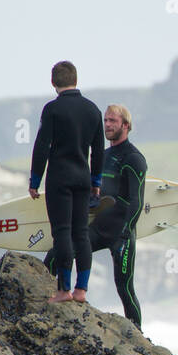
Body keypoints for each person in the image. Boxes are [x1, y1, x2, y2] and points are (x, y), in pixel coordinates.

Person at [45, 104, 148, 327]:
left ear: (126, 126)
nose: (108, 125)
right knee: (56, 255)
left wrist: (124, 234)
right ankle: (52, 302)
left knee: (125, 288)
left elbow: (136, 201)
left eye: (113, 121)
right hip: (98, 228)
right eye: (106, 120)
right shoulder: (101, 155)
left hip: (121, 233)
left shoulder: (134, 158)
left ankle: (139, 336)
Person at [29, 61, 104, 303]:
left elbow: (42, 146)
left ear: (53, 82)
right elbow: (98, 150)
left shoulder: (52, 110)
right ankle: (81, 290)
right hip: (82, 179)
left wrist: (35, 179)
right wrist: (96, 180)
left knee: (62, 232)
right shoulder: (93, 110)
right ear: (76, 79)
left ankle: (63, 290)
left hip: (59, 179)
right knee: (81, 232)